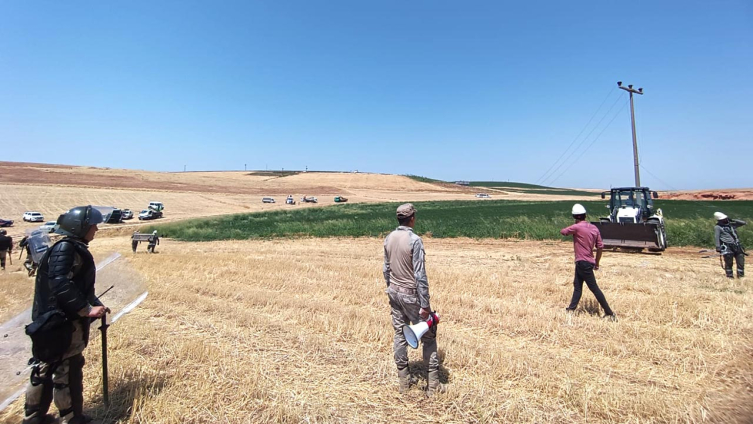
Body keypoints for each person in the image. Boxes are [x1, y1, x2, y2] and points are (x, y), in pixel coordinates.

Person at [23, 206, 108, 424]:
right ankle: (72, 419)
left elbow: (77, 286)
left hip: (55, 320)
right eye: (92, 225)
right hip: (61, 323)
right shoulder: (66, 248)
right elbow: (60, 283)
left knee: (46, 367)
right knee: (65, 369)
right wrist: (87, 309)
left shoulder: (70, 247)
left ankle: (35, 418)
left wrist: (94, 304)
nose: (96, 229)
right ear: (79, 227)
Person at [383, 203, 444, 396]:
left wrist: (390, 287)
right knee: (429, 336)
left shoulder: (389, 238)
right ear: (412, 219)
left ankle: (404, 382)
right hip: (411, 295)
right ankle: (433, 386)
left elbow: (386, 268)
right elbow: (420, 275)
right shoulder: (414, 240)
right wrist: (425, 305)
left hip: (393, 291)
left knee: (400, 334)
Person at [560, 204, 617, 321]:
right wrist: (597, 263)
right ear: (585, 215)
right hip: (589, 262)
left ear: (574, 216)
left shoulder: (576, 228)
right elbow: (600, 246)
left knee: (594, 289)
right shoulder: (594, 228)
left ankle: (610, 313)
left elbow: (563, 231)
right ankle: (571, 309)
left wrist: (574, 226)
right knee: (577, 286)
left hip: (582, 262)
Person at [714, 212, 746, 278]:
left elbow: (743, 223)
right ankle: (730, 276)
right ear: (719, 220)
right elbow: (716, 237)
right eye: (723, 219)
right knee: (729, 262)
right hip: (727, 247)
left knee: (741, 262)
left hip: (737, 246)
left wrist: (733, 220)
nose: (725, 220)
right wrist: (718, 247)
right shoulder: (718, 227)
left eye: (725, 218)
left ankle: (741, 277)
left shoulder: (731, 225)